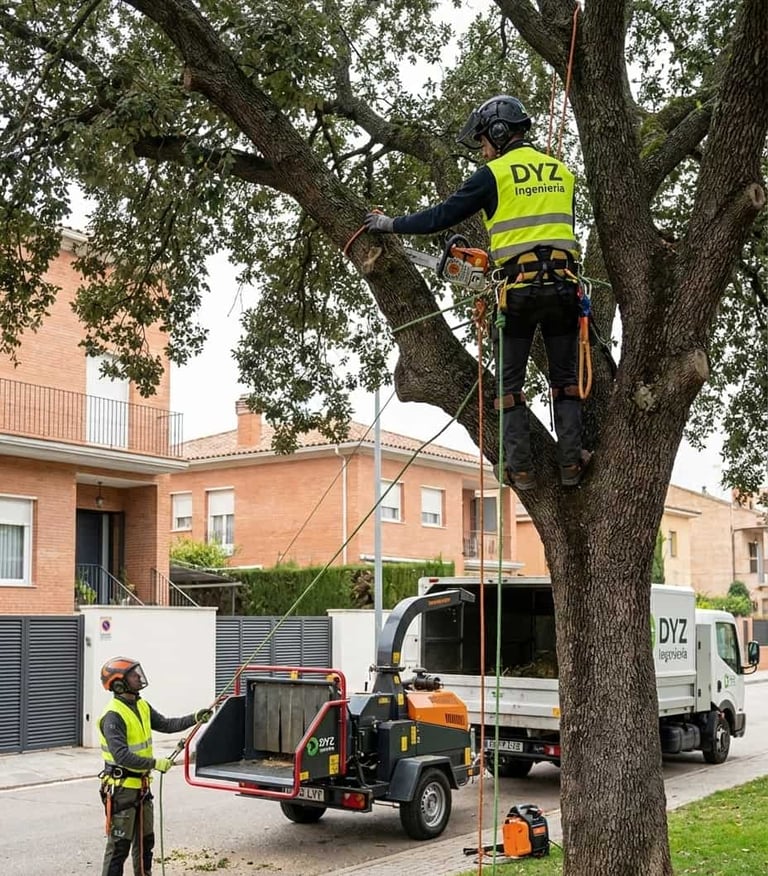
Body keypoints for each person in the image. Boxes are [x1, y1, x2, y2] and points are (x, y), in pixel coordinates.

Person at [364, 95, 591, 489]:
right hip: (563, 290)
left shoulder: (494, 175)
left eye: (485, 140)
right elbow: (547, 230)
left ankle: (520, 469)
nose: (483, 150)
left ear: (500, 133)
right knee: (566, 380)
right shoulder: (562, 173)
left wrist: (389, 223)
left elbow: (441, 216)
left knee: (509, 386)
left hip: (519, 294)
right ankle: (571, 464)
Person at [98, 656, 212, 876]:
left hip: (141, 788)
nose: (139, 677)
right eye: (133, 674)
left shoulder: (140, 704)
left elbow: (167, 724)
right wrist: (155, 763)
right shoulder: (113, 716)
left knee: (145, 842)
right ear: (119, 682)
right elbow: (121, 756)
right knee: (119, 848)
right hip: (122, 790)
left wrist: (195, 717)